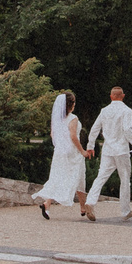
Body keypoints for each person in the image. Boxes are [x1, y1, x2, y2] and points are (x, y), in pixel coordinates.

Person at [34, 91, 88, 220]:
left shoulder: (57, 119)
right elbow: (74, 137)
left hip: (59, 152)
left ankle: (47, 204)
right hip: (72, 152)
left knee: (57, 177)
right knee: (79, 177)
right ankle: (83, 207)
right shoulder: (73, 118)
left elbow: (53, 135)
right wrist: (82, 151)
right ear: (71, 104)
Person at [87, 85, 132, 219]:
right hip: (121, 150)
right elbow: (127, 130)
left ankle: (90, 201)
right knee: (125, 179)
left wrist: (90, 145)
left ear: (111, 97)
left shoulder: (104, 111)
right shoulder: (127, 110)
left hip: (108, 150)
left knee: (101, 177)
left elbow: (95, 128)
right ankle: (125, 211)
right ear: (123, 96)